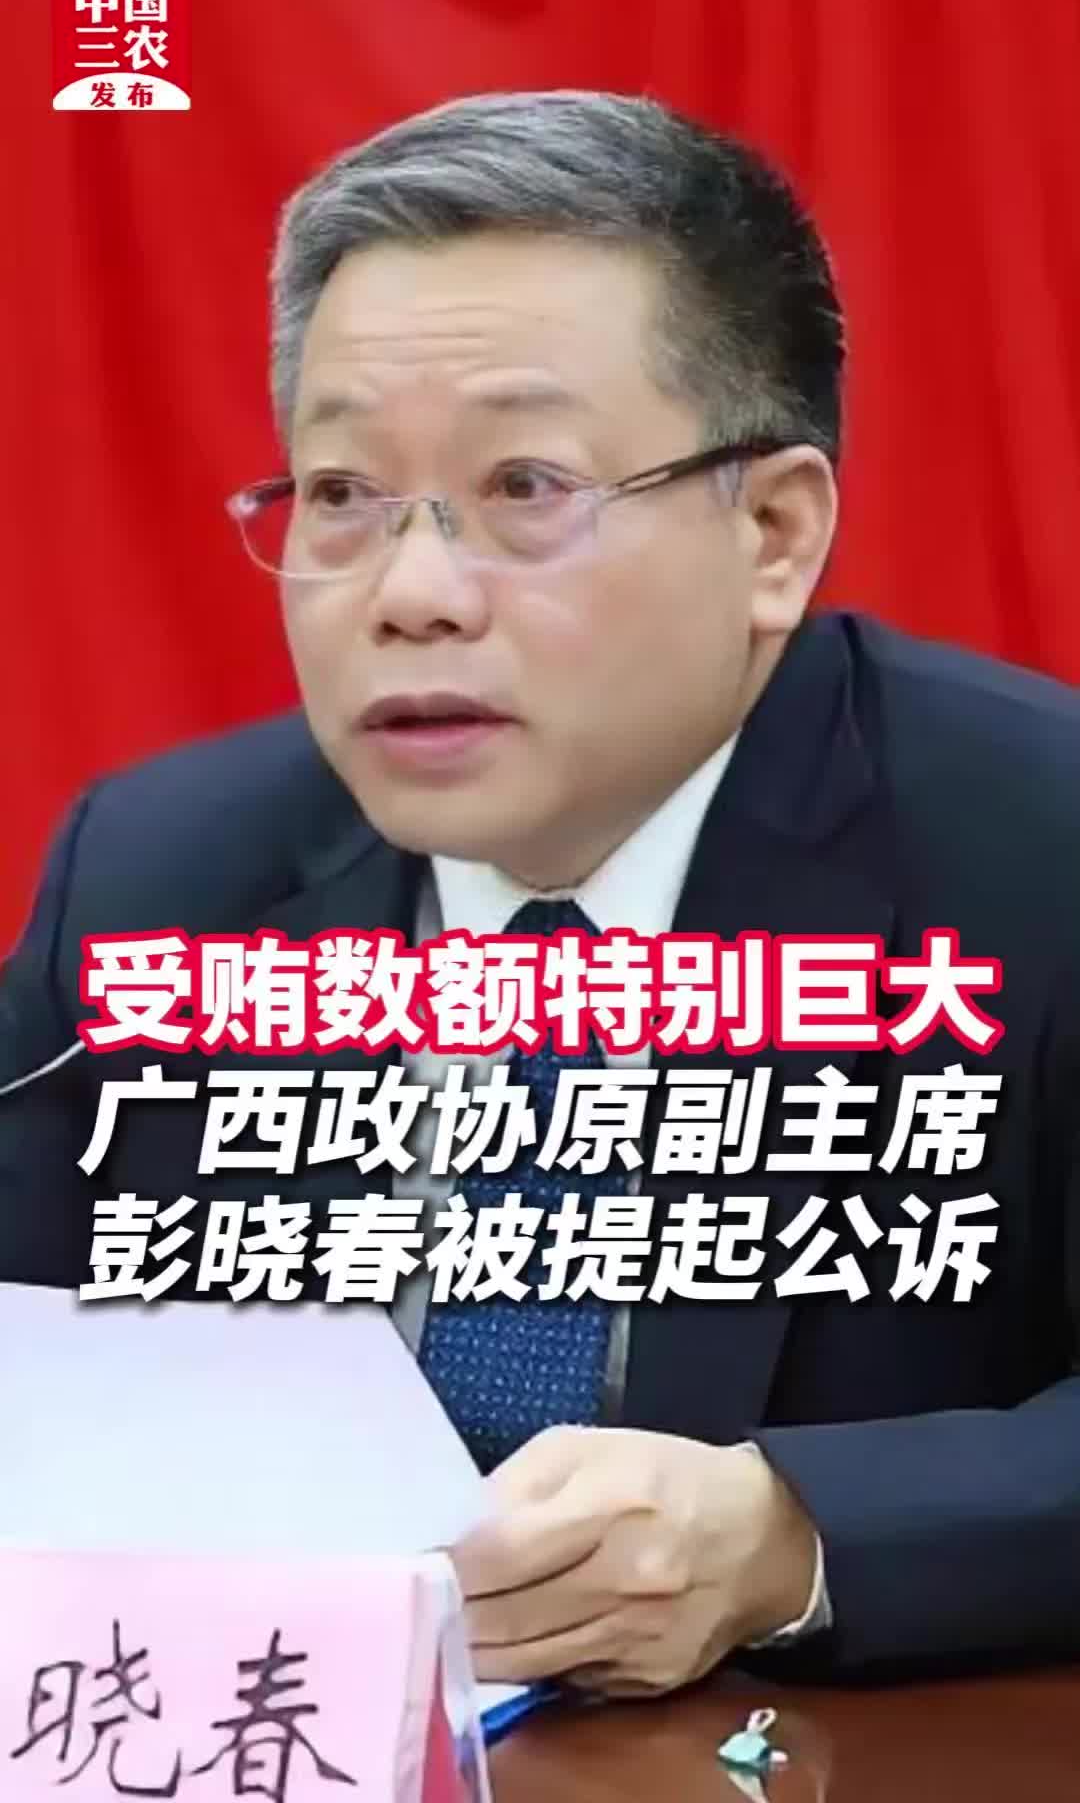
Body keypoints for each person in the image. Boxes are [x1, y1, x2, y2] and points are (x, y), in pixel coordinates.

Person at [2, 91, 1078, 1695]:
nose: (413, 594)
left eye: (526, 487)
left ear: (774, 532)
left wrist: (797, 1536)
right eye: (343, 496)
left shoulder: (1036, 849)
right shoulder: (163, 877)